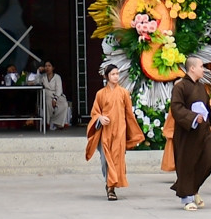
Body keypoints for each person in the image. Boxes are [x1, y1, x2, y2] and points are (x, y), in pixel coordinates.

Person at [169, 57, 211, 211]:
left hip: (203, 132)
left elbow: (208, 109)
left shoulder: (201, 87)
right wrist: (194, 117)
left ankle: (193, 188)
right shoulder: (180, 87)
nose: (204, 69)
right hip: (187, 133)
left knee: (209, 160)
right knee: (188, 164)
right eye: (202, 67)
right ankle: (187, 197)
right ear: (192, 69)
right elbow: (176, 108)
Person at [85, 65, 144, 200]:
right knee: (105, 160)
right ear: (107, 76)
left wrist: (133, 133)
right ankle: (109, 183)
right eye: (113, 74)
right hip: (105, 131)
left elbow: (129, 114)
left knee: (117, 159)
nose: (116, 76)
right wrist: (100, 117)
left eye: (117, 74)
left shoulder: (124, 93)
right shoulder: (100, 94)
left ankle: (111, 188)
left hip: (120, 131)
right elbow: (95, 112)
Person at [38, 61, 72, 130]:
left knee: (64, 104)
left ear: (53, 68)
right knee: (48, 103)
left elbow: (59, 89)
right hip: (47, 94)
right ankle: (47, 122)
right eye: (46, 66)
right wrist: (38, 72)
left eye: (49, 66)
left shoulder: (57, 77)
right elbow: (36, 81)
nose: (47, 68)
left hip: (57, 95)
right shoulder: (43, 77)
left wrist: (55, 98)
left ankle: (57, 122)